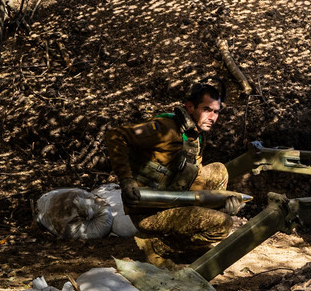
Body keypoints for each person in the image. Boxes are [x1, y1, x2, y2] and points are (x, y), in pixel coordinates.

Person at [104, 81, 243, 269]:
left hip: (172, 200)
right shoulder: (165, 128)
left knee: (219, 170)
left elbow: (195, 177)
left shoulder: (195, 134)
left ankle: (195, 234)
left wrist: (219, 205)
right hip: (148, 210)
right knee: (223, 225)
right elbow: (115, 135)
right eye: (207, 109)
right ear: (190, 107)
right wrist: (127, 180)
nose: (213, 117)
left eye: (216, 112)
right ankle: (157, 246)